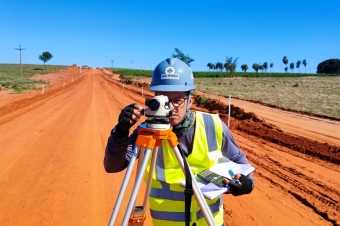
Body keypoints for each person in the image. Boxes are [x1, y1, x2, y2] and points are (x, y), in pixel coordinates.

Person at [104, 58, 254, 226]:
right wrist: (120, 132)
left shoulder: (213, 125)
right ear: (153, 99)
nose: (170, 107)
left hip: (209, 222)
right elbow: (113, 166)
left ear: (190, 100)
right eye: (163, 100)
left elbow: (241, 164)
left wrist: (247, 183)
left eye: (177, 100)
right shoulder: (146, 132)